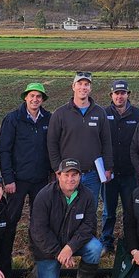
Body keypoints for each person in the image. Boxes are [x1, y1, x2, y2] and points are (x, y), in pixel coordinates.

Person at [28, 158, 105, 278]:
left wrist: (70, 247)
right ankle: (37, 273)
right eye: (66, 175)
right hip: (48, 249)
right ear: (58, 175)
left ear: (80, 176)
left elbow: (89, 226)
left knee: (95, 247)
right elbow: (38, 231)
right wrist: (59, 252)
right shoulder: (44, 196)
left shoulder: (87, 195)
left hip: (72, 243)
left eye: (74, 175)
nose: (71, 179)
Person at [46, 72, 113, 212]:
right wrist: (57, 168)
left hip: (92, 174)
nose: (83, 87)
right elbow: (52, 143)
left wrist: (108, 167)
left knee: (90, 211)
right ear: (73, 86)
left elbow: (106, 142)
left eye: (86, 84)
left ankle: (88, 235)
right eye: (80, 84)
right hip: (68, 174)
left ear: (90, 88)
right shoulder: (60, 114)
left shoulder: (100, 113)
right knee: (66, 210)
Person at [0, 82, 52, 225]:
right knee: (11, 217)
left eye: (39, 96)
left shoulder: (48, 118)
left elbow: (52, 147)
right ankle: (5, 247)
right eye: (32, 96)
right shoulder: (13, 119)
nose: (35, 99)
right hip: (18, 180)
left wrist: (52, 173)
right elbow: (4, 150)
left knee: (39, 218)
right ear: (25, 98)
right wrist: (8, 179)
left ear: (43, 99)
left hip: (41, 179)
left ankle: (35, 247)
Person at [103, 79, 139, 252]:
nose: (120, 96)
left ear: (128, 94)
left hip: (130, 173)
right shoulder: (103, 114)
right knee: (108, 211)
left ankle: (130, 242)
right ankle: (106, 241)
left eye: (123, 93)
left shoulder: (138, 114)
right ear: (111, 95)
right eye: (116, 93)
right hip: (109, 172)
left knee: (130, 210)